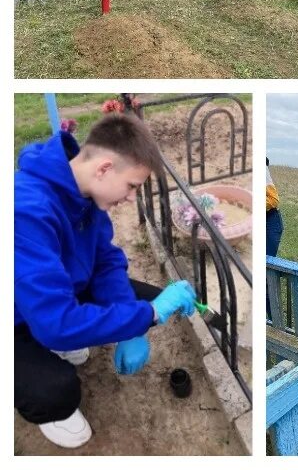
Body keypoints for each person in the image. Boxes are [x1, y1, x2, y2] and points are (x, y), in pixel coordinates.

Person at [15, 114, 197, 448]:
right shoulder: (25, 211)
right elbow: (54, 322)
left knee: (144, 300)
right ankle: (47, 399)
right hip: (16, 319)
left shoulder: (83, 193)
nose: (131, 198)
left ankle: (63, 346)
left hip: (49, 297)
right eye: (132, 186)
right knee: (57, 391)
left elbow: (106, 261)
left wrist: (133, 325)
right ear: (104, 168)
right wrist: (149, 315)